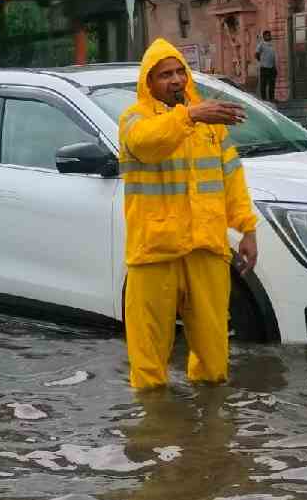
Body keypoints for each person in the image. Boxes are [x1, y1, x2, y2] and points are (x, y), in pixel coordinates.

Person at [118, 38, 259, 388]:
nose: (176, 80)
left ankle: (209, 437)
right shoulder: (134, 119)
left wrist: (248, 229)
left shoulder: (211, 125)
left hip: (206, 248)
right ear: (148, 82)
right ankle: (154, 430)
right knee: (148, 363)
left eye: (180, 71)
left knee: (214, 362)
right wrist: (190, 115)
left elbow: (232, 178)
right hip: (155, 252)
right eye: (165, 74)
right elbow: (148, 144)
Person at [255, 30, 277, 102]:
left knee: (272, 84)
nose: (268, 36)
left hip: (272, 67)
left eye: (269, 35)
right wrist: (262, 61)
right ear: (264, 36)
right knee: (263, 84)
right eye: (267, 35)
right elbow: (256, 54)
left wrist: (274, 67)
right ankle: (264, 99)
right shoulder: (261, 44)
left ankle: (271, 98)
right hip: (264, 67)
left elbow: (273, 56)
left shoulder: (272, 44)